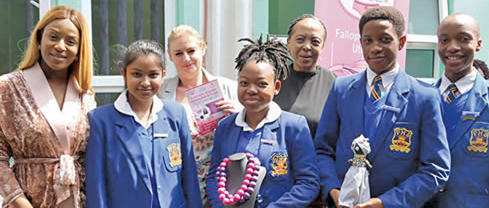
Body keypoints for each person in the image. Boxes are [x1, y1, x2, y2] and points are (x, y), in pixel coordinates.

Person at [314, 6, 451, 208]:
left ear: (401, 42)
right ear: (361, 43)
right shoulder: (341, 89)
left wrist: (385, 202)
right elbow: (322, 150)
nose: (375, 47)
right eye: (368, 41)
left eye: (385, 40)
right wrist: (333, 190)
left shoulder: (425, 97)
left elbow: (435, 169)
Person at [85, 40, 202, 208]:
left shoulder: (176, 114)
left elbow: (189, 176)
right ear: (124, 74)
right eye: (137, 74)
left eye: (153, 75)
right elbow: (97, 186)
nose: (145, 82)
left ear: (163, 75)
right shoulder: (101, 120)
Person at [207, 36, 320, 207]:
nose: (251, 90)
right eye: (244, 83)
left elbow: (308, 183)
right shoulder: (225, 127)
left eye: (261, 84)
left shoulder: (294, 126)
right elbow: (214, 175)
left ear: (276, 88)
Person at [0, 5, 95, 208]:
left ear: (79, 51)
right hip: (26, 203)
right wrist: (20, 203)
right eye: (53, 37)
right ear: (39, 39)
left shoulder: (85, 94)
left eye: (71, 42)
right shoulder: (8, 87)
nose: (60, 46)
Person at [158, 25, 239, 205]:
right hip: (175, 182)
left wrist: (238, 116)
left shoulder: (229, 88)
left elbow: (252, 128)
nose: (186, 58)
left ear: (203, 48)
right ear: (170, 56)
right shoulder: (160, 91)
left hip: (219, 181)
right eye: (178, 53)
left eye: (191, 50)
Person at [432, 13, 489, 207]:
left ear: (478, 44)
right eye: (444, 40)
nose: (452, 47)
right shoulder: (420, 98)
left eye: (463, 39)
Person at [273, 14, 336, 139]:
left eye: (315, 42)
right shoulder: (272, 80)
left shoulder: (335, 85)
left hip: (316, 157)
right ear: (289, 43)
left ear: (322, 46)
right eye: (300, 39)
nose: (307, 46)